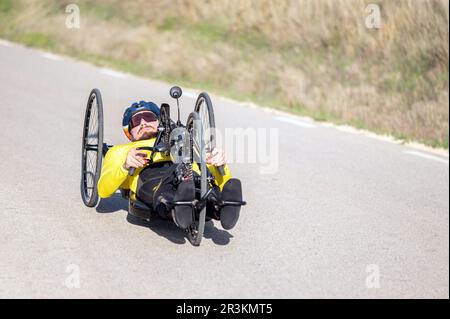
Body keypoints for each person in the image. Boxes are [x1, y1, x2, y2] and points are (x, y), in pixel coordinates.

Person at [97, 101, 242, 230]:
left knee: (201, 182)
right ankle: (178, 205)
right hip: (151, 180)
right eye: (136, 121)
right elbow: (103, 191)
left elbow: (212, 176)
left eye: (148, 118)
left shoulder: (183, 141)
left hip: (190, 175)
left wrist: (219, 165)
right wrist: (125, 166)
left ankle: (219, 207)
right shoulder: (120, 151)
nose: (143, 123)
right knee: (167, 188)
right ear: (129, 132)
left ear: (159, 122)